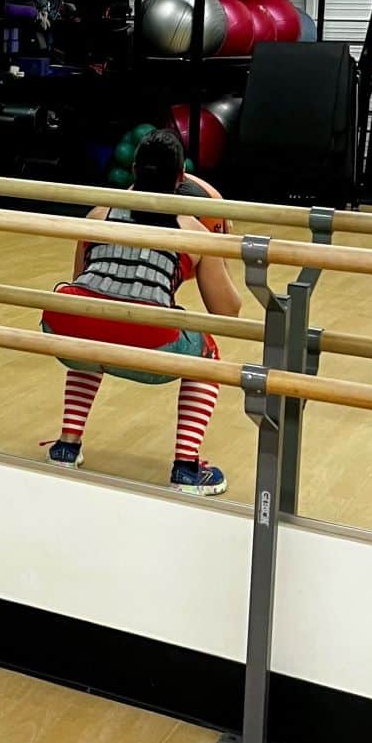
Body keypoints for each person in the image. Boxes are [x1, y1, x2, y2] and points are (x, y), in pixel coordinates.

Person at [41, 127, 242, 493]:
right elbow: (227, 313)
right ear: (181, 179)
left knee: (94, 320)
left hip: (64, 332)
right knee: (209, 353)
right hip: (148, 346)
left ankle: (66, 446)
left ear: (133, 170)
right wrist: (220, 248)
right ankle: (186, 468)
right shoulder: (194, 231)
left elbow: (80, 279)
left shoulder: (98, 214)